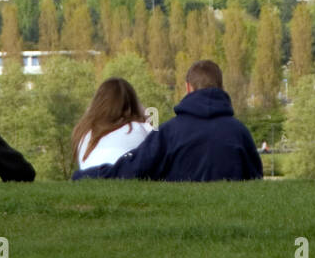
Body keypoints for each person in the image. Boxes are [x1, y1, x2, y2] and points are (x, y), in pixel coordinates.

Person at [72, 60, 263, 182]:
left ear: (188, 88)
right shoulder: (240, 133)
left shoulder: (169, 132)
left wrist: (85, 176)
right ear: (221, 87)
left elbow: (133, 170)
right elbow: (255, 180)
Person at [72, 77, 154, 172]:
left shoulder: (85, 132)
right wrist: (147, 120)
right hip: (123, 174)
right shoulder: (140, 128)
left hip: (88, 175)